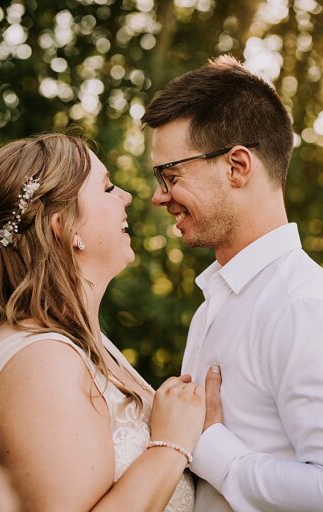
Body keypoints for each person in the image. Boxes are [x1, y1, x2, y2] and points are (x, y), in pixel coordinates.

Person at [0, 133, 210, 511]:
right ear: (64, 227)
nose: (127, 197)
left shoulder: (78, 343)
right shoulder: (42, 363)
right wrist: (171, 448)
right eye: (107, 188)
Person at [143, 55, 323, 512]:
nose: (158, 195)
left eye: (171, 173)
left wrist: (215, 453)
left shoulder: (302, 306)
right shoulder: (213, 307)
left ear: (237, 166)